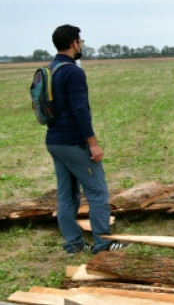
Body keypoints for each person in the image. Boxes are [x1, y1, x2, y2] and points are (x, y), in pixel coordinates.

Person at [45, 25, 126, 253]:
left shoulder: (51, 70)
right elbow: (80, 110)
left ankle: (74, 243)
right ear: (74, 43)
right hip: (73, 142)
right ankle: (103, 243)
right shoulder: (73, 72)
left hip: (54, 140)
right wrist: (93, 143)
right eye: (80, 41)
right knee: (97, 192)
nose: (81, 44)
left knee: (66, 194)